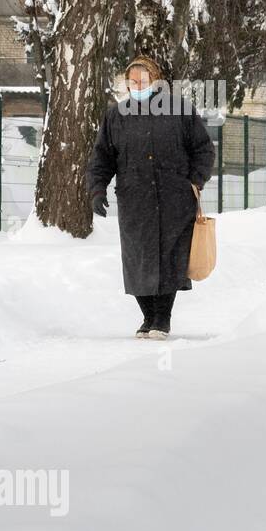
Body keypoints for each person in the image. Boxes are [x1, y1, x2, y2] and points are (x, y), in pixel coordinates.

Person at [86, 56, 215, 339]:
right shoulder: (116, 116)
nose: (137, 85)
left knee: (170, 259)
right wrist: (97, 189)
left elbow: (203, 149)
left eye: (142, 80)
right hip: (135, 201)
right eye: (132, 81)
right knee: (137, 259)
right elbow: (102, 157)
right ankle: (148, 316)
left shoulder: (179, 110)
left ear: (155, 80)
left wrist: (195, 180)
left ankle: (162, 319)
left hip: (175, 199)